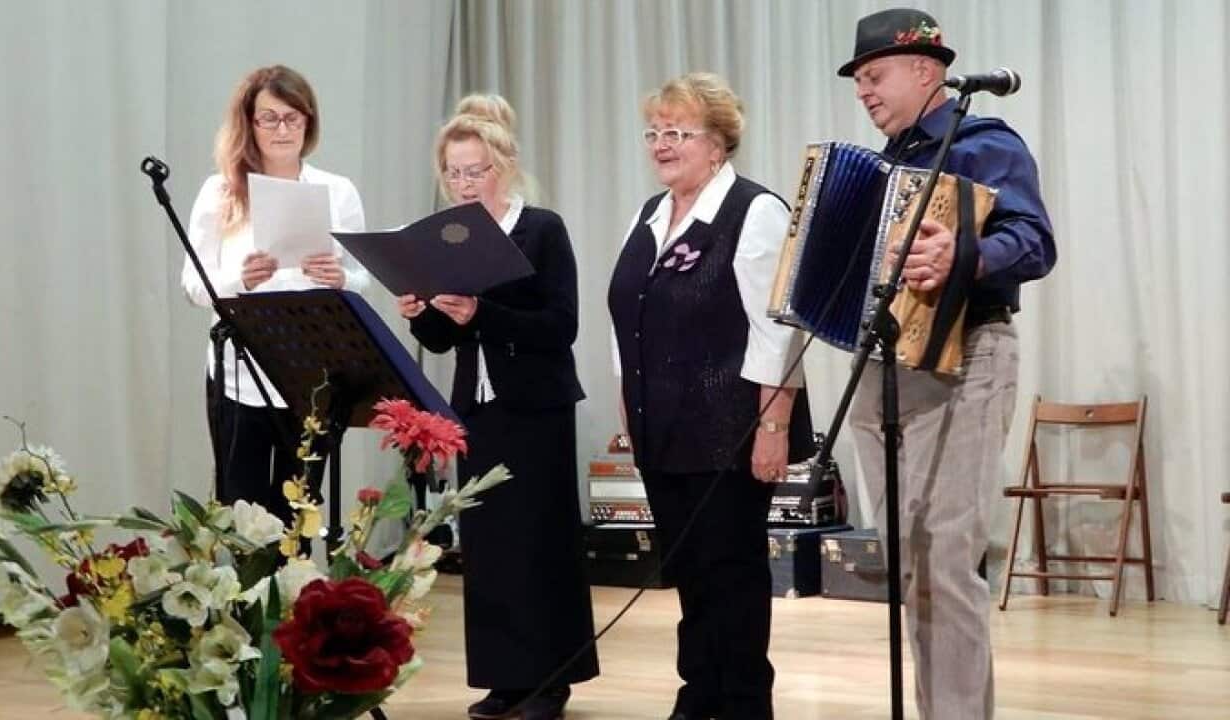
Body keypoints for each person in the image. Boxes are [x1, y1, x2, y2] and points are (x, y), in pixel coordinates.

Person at [838, 9, 1056, 720]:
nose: (864, 91)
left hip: (966, 359)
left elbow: (1034, 241)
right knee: (908, 563)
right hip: (882, 368)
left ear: (926, 70)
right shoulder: (881, 166)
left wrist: (966, 254)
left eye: (875, 75)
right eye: (859, 80)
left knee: (946, 563)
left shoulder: (982, 143)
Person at [607, 72, 811, 720]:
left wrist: (772, 429)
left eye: (678, 132)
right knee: (690, 575)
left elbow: (777, 330)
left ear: (718, 143)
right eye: (655, 131)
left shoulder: (754, 211)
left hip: (731, 430)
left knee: (732, 575)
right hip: (662, 430)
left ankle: (745, 703)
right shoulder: (650, 213)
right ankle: (700, 694)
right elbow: (628, 317)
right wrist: (627, 414)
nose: (662, 144)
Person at [396, 94, 598, 720]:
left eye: (474, 170)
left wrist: (485, 312)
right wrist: (421, 314)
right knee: (487, 549)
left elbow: (559, 324)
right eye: (453, 172)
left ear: (503, 167)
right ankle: (505, 678)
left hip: (535, 408)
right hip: (477, 411)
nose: (462, 182)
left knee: (539, 544)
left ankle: (549, 681)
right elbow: (443, 340)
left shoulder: (541, 228)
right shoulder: (449, 238)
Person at [181, 65, 370, 526]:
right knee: (240, 513)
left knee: (297, 514)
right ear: (250, 123)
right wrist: (239, 280)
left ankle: (293, 598)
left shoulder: (337, 190)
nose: (282, 129)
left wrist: (340, 277)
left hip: (312, 372)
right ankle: (245, 601)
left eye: (293, 117)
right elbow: (193, 285)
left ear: (309, 121)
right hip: (238, 376)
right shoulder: (220, 191)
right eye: (269, 118)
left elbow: (364, 276)